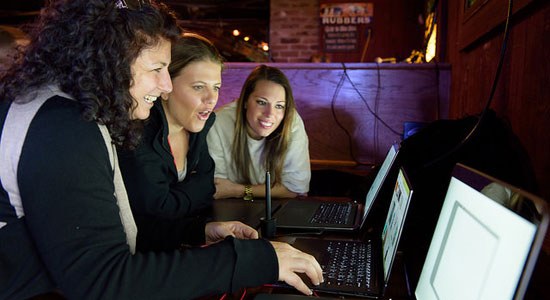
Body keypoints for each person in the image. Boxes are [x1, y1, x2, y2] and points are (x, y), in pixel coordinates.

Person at [0, 1, 322, 299]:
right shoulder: (63, 129)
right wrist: (255, 260)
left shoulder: (69, 113)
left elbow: (109, 238)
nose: (166, 85)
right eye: (157, 69)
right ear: (110, 59)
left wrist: (200, 230)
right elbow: (104, 280)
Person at [117, 32, 221, 250]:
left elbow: (208, 185)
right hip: (139, 258)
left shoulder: (199, 123)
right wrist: (196, 191)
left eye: (216, 87)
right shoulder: (139, 133)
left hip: (183, 242)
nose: (211, 99)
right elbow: (158, 210)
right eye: (199, 87)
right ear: (166, 87)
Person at [207, 65, 311, 200]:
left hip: (277, 207)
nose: (270, 114)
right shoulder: (218, 122)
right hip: (230, 206)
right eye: (262, 102)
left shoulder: (291, 121)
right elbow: (219, 187)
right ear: (244, 101)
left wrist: (239, 190)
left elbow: (295, 188)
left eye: (279, 106)